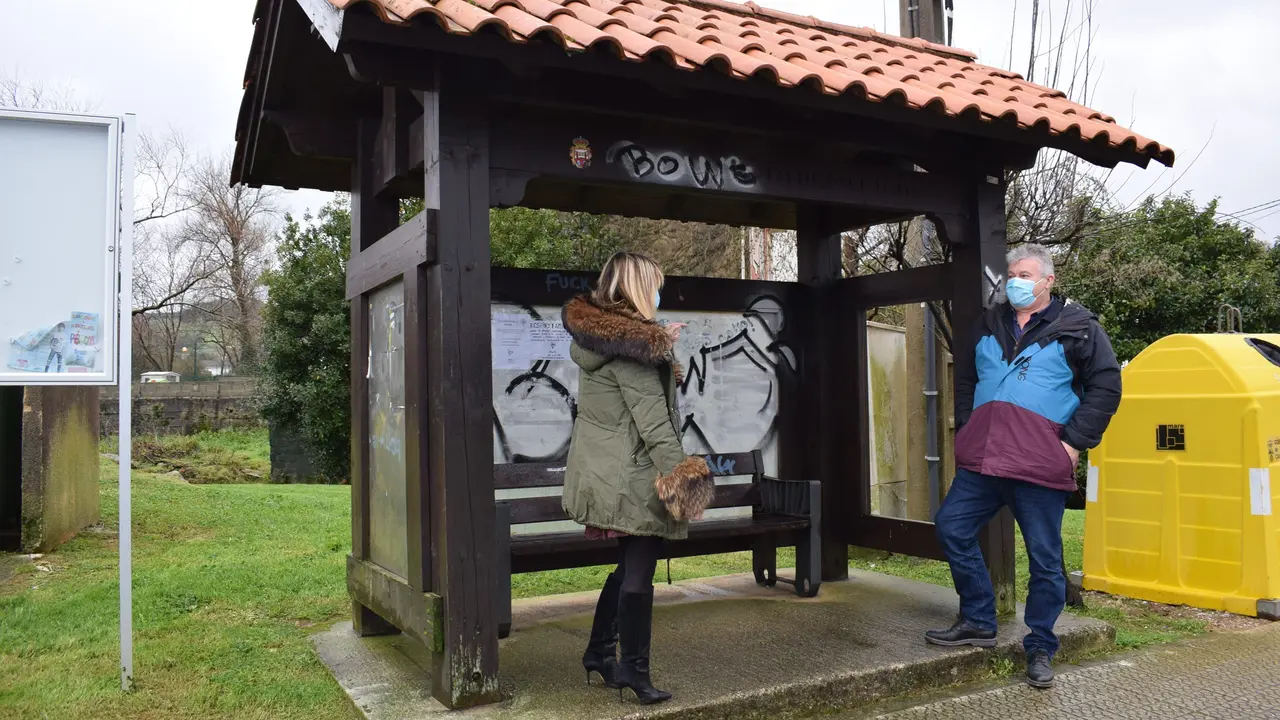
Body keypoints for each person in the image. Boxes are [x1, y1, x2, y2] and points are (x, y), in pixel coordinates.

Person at [927, 243, 1121, 689]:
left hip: (1039, 461)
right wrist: (967, 428)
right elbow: (966, 379)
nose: (1015, 281)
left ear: (1048, 281)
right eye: (1012, 274)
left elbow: (1107, 386)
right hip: (984, 459)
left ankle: (1040, 646)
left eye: (1026, 275)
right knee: (951, 526)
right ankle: (979, 619)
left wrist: (1073, 443)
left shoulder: (1079, 328)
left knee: (1044, 560)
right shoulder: (987, 324)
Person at [560, 251, 715, 705]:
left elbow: (630, 401)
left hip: (608, 474)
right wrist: (687, 484)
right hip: (633, 477)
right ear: (639, 290)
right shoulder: (633, 352)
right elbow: (655, 426)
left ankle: (599, 653)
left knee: (628, 568)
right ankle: (633, 670)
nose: (660, 294)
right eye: (656, 287)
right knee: (639, 575)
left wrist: (660, 346)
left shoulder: (603, 341)